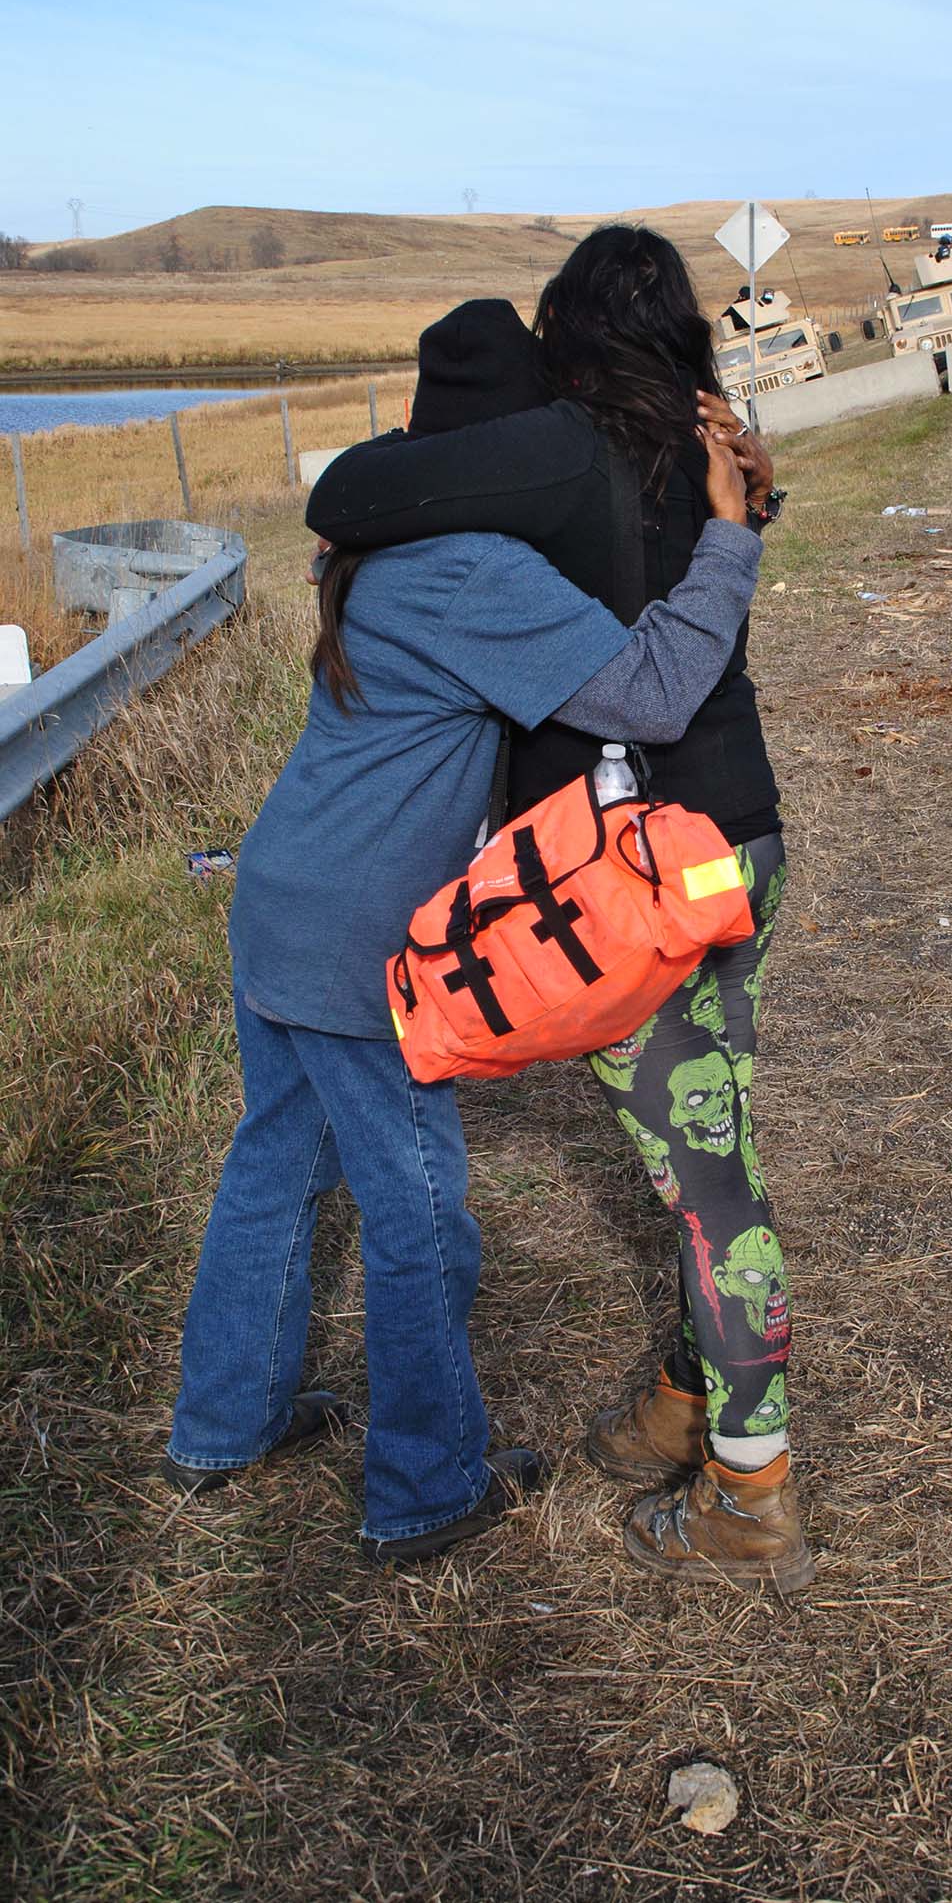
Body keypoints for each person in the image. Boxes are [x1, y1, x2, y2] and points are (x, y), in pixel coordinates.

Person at [163, 299, 763, 1569]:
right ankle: (426, 1486)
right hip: (352, 940)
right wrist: (728, 538)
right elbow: (652, 693)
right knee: (421, 1211)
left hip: (276, 896)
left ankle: (224, 1424)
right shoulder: (468, 572)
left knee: (274, 1166)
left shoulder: (377, 551)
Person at [308, 228, 812, 1593]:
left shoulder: (565, 444)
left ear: (564, 330)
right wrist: (744, 515)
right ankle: (690, 1389)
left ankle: (751, 1485)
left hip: (628, 867)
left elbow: (359, 489)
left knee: (707, 1180)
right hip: (739, 836)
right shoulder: (713, 438)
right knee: (710, 1133)